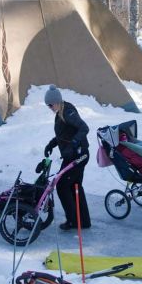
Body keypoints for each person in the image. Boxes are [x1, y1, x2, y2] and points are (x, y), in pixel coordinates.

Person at [43, 86, 91, 231]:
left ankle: (73, 221)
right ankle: (83, 221)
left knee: (62, 186)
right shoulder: (61, 112)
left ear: (56, 101)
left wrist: (74, 144)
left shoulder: (68, 112)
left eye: (50, 104)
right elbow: (65, 133)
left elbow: (84, 128)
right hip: (74, 156)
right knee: (75, 186)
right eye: (48, 105)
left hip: (78, 156)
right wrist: (52, 144)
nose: (49, 107)